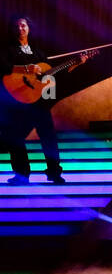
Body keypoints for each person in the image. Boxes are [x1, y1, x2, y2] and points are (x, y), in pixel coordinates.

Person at [1, 16, 86, 185]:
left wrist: (75, 63)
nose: (20, 28)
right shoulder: (8, 50)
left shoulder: (38, 52)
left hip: (38, 102)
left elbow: (50, 74)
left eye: (23, 25)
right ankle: (21, 175)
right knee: (14, 136)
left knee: (48, 137)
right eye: (17, 26)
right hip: (18, 101)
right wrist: (25, 68)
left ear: (29, 28)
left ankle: (54, 173)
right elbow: (2, 66)